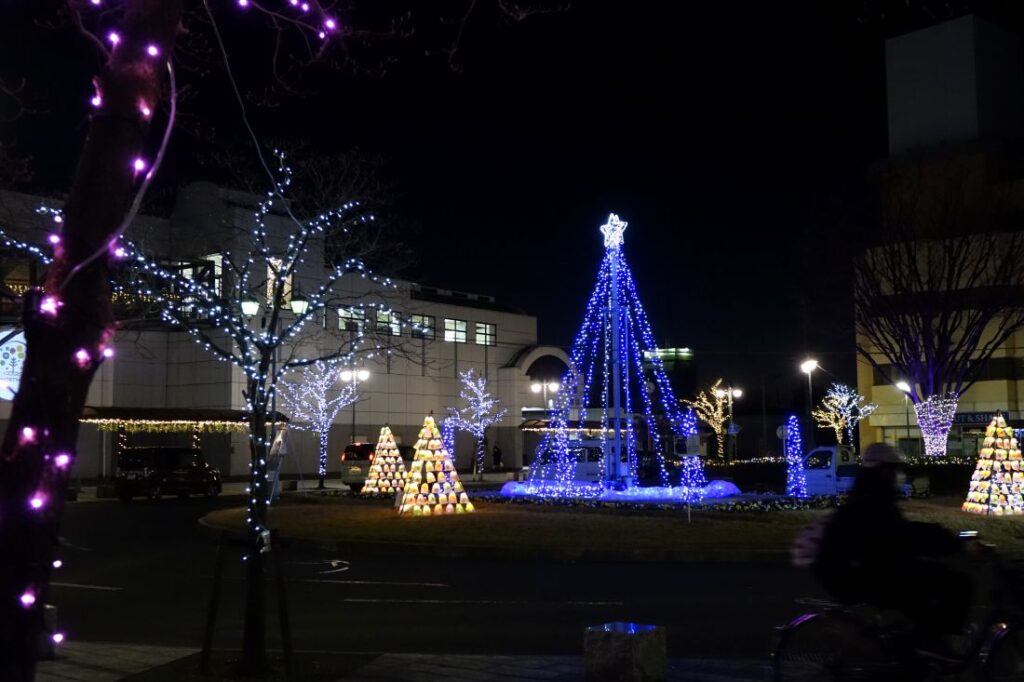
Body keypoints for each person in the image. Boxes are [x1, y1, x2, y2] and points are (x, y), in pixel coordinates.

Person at [813, 443, 972, 647]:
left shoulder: (870, 495)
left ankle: (917, 646)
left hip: (865, 570)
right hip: (863, 576)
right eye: (895, 470)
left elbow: (900, 533)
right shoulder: (872, 501)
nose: (899, 476)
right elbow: (902, 536)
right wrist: (951, 543)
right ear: (884, 471)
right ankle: (932, 645)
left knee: (922, 589)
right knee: (955, 583)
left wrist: (942, 537)